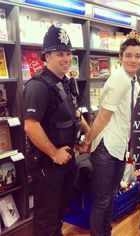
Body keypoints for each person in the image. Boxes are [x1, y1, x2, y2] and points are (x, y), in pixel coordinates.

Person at [23, 25, 90, 236]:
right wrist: (53, 153)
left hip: (66, 158)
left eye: (68, 53)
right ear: (47, 56)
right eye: (60, 53)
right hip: (48, 164)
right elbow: (30, 126)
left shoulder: (65, 82)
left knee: (60, 211)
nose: (66, 58)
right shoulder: (38, 86)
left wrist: (88, 133)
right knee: (47, 217)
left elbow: (74, 112)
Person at [84, 31, 140, 236]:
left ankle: (106, 232)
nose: (133, 60)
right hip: (106, 147)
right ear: (121, 57)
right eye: (128, 55)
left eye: (138, 56)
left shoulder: (132, 81)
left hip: (118, 146)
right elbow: (103, 117)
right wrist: (88, 140)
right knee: (102, 200)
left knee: (110, 196)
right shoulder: (119, 79)